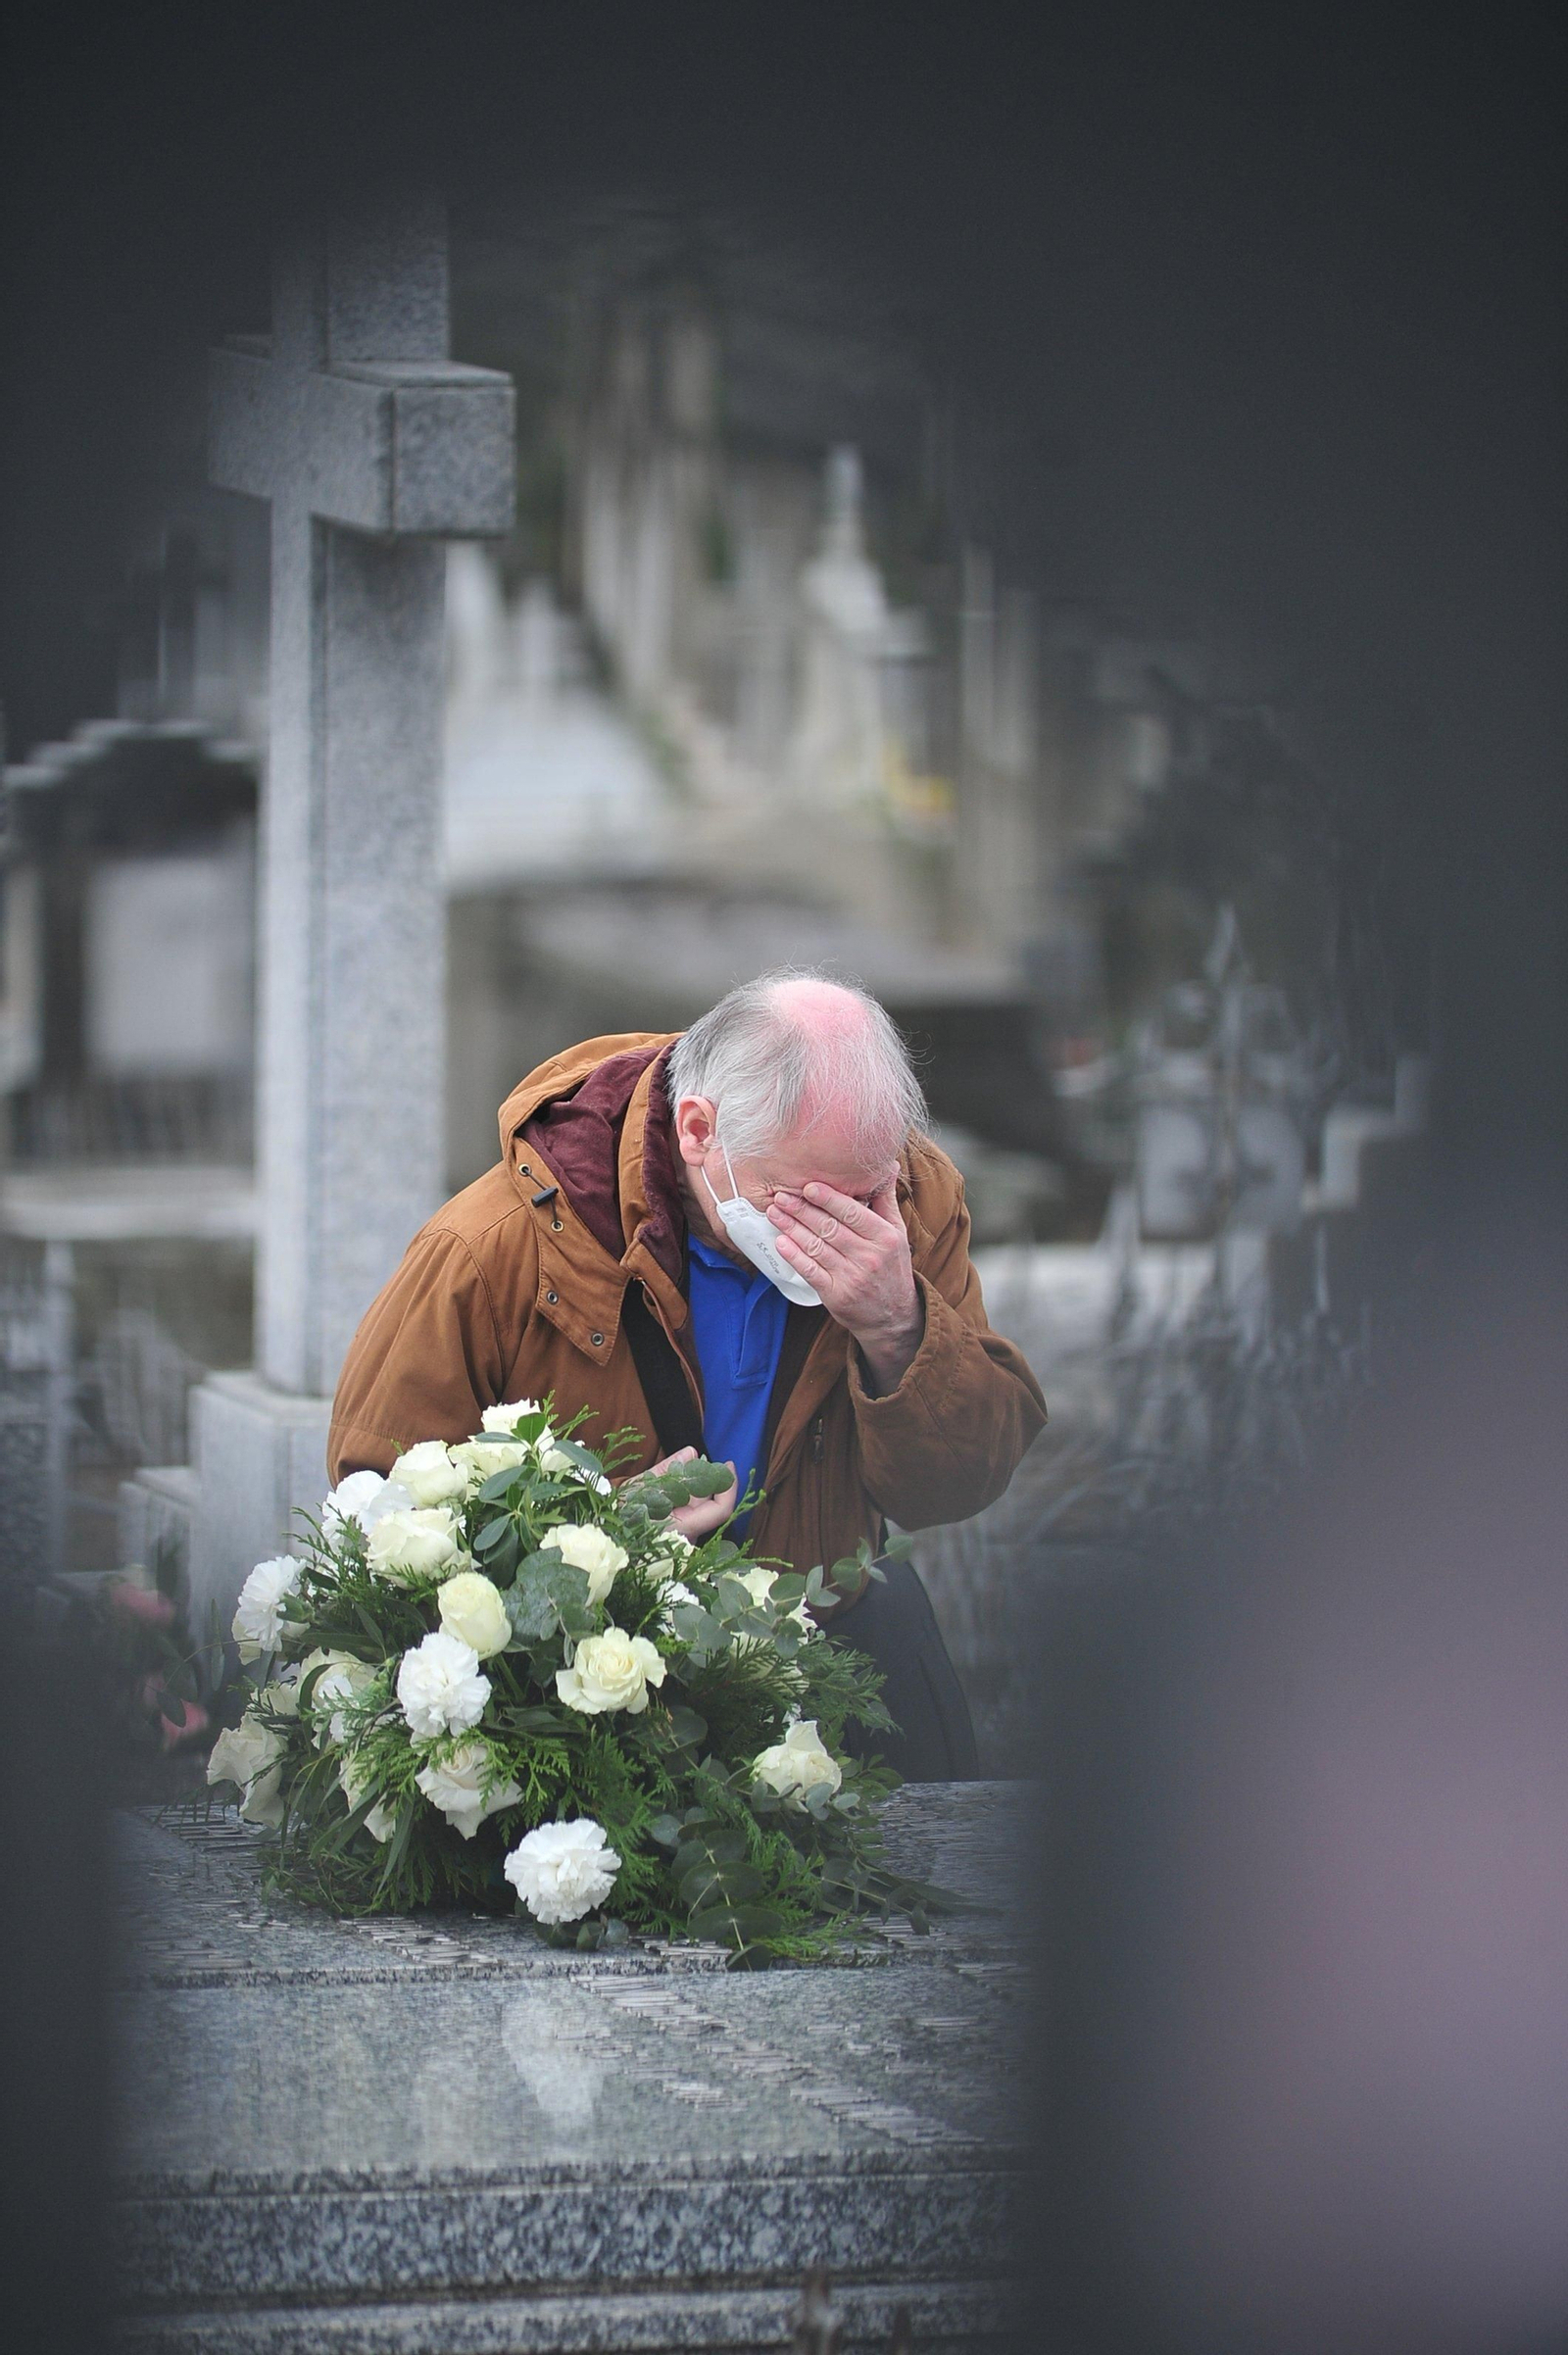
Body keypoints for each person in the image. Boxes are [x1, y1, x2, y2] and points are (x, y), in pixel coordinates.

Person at [328, 971, 1047, 1777]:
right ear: (699, 1130)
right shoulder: (491, 1248)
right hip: (593, 1693)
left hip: (836, 1649)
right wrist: (593, 1534)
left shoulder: (909, 1205)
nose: (843, 1230)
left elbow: (957, 1486)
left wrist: (898, 1326)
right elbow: (379, 1520)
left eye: (865, 1193)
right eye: (803, 1201)